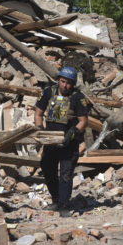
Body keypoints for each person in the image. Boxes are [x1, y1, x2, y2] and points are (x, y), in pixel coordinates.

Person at [35, 67, 89, 214]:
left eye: (69, 83)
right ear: (59, 80)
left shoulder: (78, 97)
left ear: (73, 84)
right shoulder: (48, 92)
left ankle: (65, 206)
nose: (65, 86)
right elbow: (38, 114)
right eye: (63, 81)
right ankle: (57, 201)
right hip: (50, 142)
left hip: (69, 143)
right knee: (48, 170)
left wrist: (73, 132)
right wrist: (41, 130)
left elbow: (83, 121)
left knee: (66, 174)